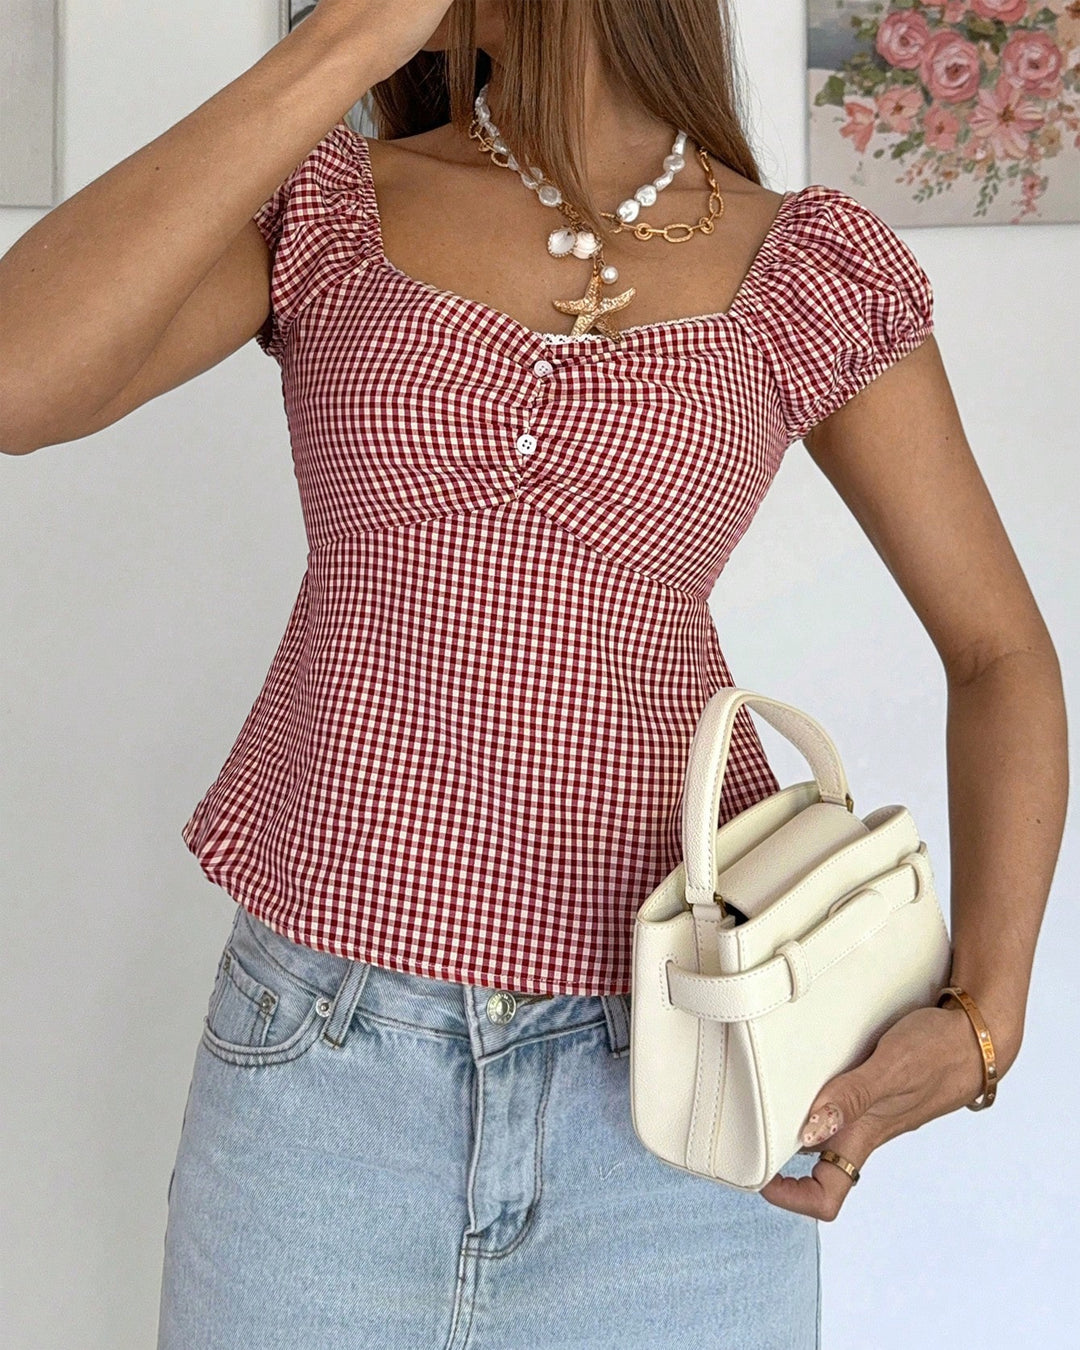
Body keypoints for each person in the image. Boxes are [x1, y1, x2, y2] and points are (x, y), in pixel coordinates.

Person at [0, 2, 1066, 1347]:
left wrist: (987, 1014)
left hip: (685, 1102)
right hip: (321, 1080)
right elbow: (17, 381)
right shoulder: (334, 203)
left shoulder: (805, 265)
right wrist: (339, 47)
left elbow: (999, 652)